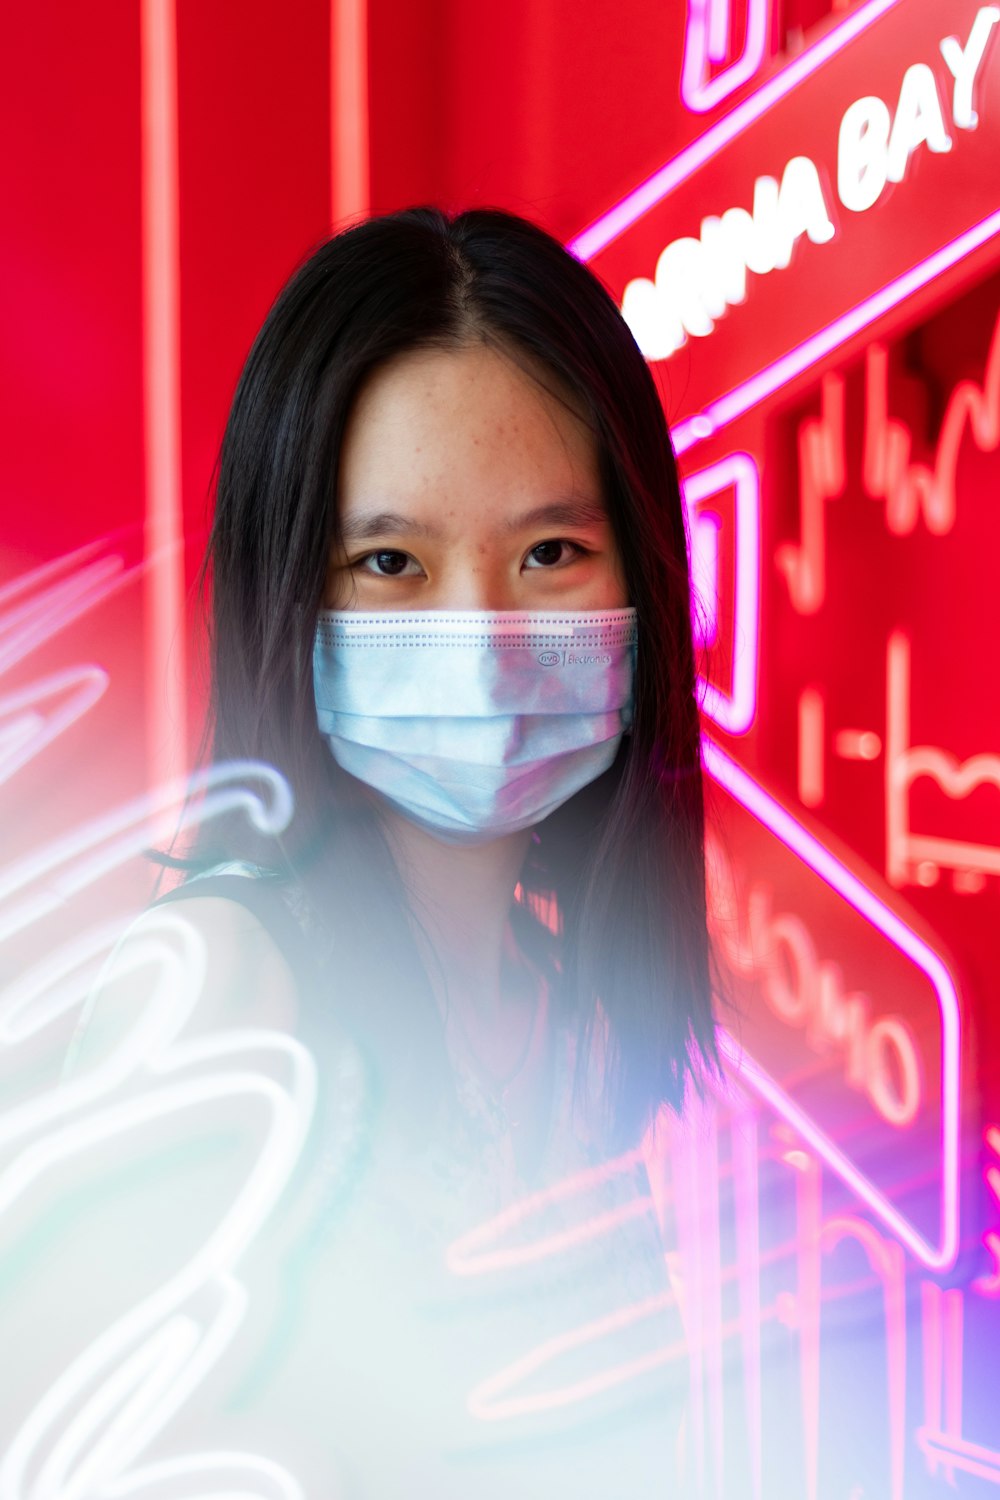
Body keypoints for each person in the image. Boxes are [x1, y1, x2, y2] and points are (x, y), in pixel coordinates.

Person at [69, 207, 717, 1496]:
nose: (480, 639)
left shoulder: (564, 1010)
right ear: (288, 598)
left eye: (549, 553)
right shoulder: (220, 992)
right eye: (389, 562)